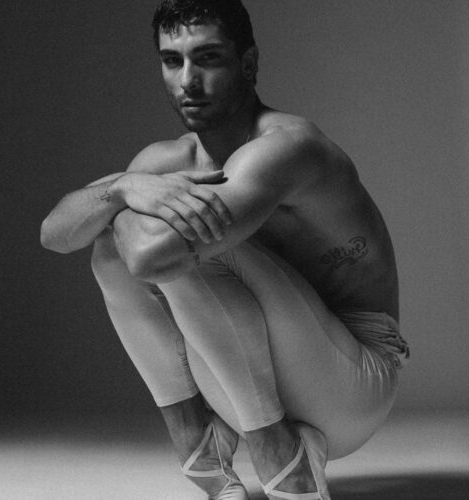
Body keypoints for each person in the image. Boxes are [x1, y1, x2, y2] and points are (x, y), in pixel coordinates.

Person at [40, 1, 409, 499]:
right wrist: (123, 187)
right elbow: (55, 234)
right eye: (172, 61)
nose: (188, 80)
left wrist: (123, 205)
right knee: (110, 247)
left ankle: (278, 454)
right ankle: (200, 444)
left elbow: (151, 258)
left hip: (352, 384)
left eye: (208, 58)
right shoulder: (168, 160)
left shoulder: (287, 147)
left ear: (248, 63)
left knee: (164, 247)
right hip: (248, 384)